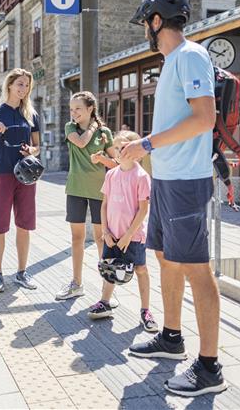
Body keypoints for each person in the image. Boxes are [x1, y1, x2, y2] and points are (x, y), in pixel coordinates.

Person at [121, 0, 227, 397]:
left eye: (147, 23)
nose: (146, 31)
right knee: (167, 259)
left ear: (157, 21)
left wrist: (146, 144)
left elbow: (204, 118)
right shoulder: (170, 62)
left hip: (186, 181)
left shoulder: (190, 55)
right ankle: (171, 338)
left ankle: (209, 368)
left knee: (197, 268)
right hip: (167, 179)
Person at [0, 68, 41, 293]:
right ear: (9, 85)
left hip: (26, 176)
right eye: (20, 84)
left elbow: (37, 146)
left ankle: (21, 273)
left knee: (24, 226)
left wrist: (32, 150)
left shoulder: (31, 114)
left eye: (27, 86)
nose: (23, 89)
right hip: (1, 175)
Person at [87, 130, 157, 333]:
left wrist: (128, 236)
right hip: (112, 235)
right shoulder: (110, 174)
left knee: (141, 270)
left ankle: (145, 310)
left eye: (123, 147)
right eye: (116, 147)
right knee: (109, 268)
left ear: (137, 152)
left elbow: (143, 209)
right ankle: (105, 302)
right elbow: (104, 205)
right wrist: (106, 232)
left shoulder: (142, 177)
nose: (118, 151)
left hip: (132, 236)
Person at [54, 92, 114, 303]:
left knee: (100, 240)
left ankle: (107, 288)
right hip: (76, 189)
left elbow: (115, 162)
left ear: (90, 108)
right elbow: (80, 143)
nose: (73, 113)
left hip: (100, 192)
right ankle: (76, 284)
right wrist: (92, 128)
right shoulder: (71, 128)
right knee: (77, 238)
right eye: (71, 109)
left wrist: (103, 158)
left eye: (78, 108)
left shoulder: (105, 132)